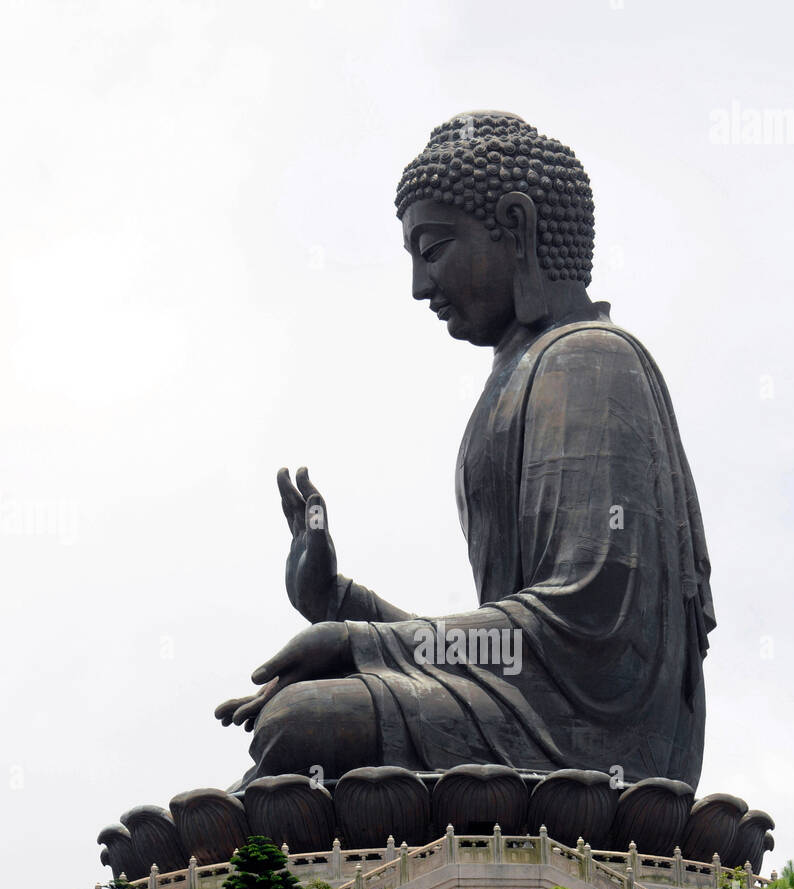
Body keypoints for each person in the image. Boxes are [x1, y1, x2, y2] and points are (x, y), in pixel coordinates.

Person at [215, 111, 715, 791]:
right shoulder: (520, 375)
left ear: (517, 224)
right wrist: (340, 603)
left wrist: (361, 645)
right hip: (523, 710)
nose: (421, 287)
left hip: (596, 748)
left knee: (301, 724)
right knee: (300, 736)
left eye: (434, 247)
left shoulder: (589, 362)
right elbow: (506, 648)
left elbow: (584, 631)